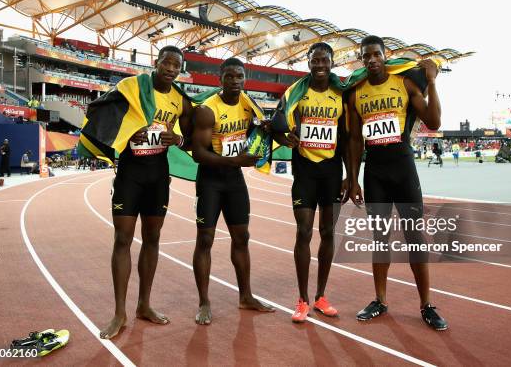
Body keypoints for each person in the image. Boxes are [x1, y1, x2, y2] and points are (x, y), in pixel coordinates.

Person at [347, 35, 448, 330]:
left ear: (385, 55)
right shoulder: (356, 93)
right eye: (366, 56)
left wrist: (432, 82)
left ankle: (427, 305)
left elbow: (434, 121)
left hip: (403, 169)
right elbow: (354, 139)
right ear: (361, 59)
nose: (372, 60)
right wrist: (353, 180)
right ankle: (379, 299)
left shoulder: (404, 85)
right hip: (375, 172)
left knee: (415, 239)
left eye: (376, 54)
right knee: (380, 239)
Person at [99, 46, 194, 339]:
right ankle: (119, 313)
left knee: (152, 239)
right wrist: (127, 134)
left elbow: (192, 137)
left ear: (180, 69)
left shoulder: (180, 99)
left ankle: (144, 305)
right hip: (130, 174)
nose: (170, 68)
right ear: (156, 63)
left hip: (157, 176)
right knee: (122, 240)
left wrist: (177, 138)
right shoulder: (131, 86)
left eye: (176, 65)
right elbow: (104, 112)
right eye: (166, 62)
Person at [191, 57, 275, 325]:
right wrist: (234, 161)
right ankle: (204, 302)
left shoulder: (249, 106)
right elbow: (198, 153)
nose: (236, 81)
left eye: (240, 76)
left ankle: (245, 296)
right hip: (211, 180)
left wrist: (261, 137)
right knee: (205, 239)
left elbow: (254, 133)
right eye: (230, 76)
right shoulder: (208, 110)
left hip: (234, 180)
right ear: (220, 79)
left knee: (242, 237)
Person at [272, 43, 348, 322]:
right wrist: (284, 137)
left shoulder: (341, 93)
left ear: (331, 62)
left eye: (324, 60)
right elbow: (277, 121)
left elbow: (350, 137)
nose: (319, 65)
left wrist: (351, 177)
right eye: (314, 60)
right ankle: (302, 299)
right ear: (307, 62)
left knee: (328, 232)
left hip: (331, 172)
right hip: (304, 172)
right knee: (303, 232)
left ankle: (321, 296)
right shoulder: (295, 92)